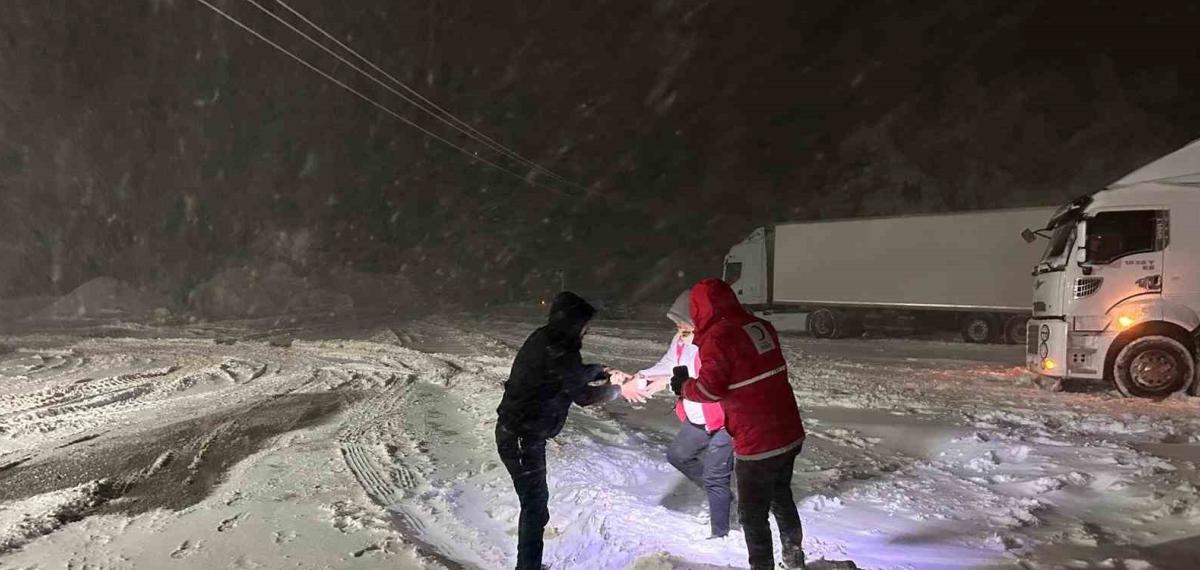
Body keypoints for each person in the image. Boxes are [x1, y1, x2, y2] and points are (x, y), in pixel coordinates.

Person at [672, 278, 807, 570]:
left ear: (700, 308)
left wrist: (684, 386)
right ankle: (794, 559)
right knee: (781, 496)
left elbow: (710, 390)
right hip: (788, 430)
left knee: (752, 514)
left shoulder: (718, 337)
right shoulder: (759, 325)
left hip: (757, 440)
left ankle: (762, 566)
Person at [495, 291, 632, 570]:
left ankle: (528, 565)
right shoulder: (559, 348)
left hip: (521, 434)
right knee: (535, 506)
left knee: (535, 505)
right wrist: (619, 390)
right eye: (585, 326)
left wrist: (601, 370)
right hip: (522, 437)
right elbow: (582, 395)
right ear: (574, 324)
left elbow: (570, 372)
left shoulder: (548, 338)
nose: (586, 331)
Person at [628, 288, 733, 539]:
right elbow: (669, 364)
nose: (678, 326)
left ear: (697, 317)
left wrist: (668, 380)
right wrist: (643, 376)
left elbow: (709, 381)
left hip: (724, 421)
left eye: (682, 320)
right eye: (675, 322)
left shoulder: (715, 341)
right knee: (678, 455)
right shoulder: (681, 339)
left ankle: (721, 534)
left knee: (716, 476)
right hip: (697, 417)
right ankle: (720, 494)